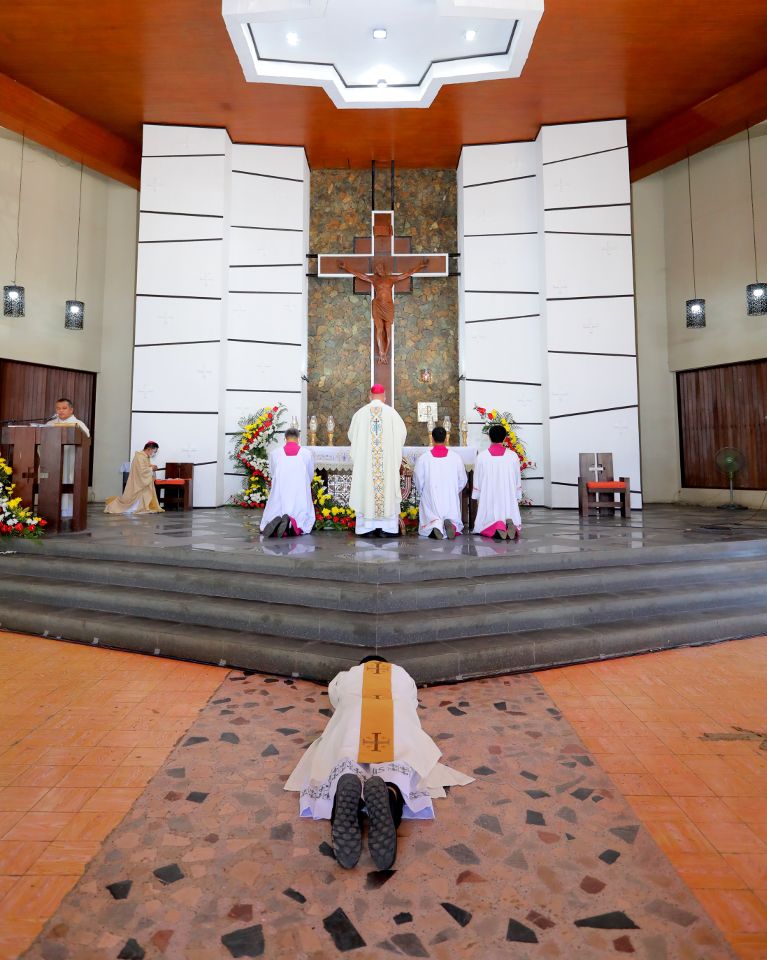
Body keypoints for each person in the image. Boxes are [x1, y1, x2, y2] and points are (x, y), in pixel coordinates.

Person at [285, 655, 472, 870]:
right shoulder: (402, 674)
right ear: (387, 665)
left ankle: (344, 798)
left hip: (354, 717)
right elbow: (412, 702)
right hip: (395, 718)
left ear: (361, 665)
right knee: (399, 763)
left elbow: (335, 698)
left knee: (345, 756)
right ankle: (390, 794)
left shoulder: (347, 676)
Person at [338, 259, 429, 363]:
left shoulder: (391, 278)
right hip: (378, 305)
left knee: (388, 328)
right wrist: (346, 267)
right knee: (379, 329)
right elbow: (360, 275)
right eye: (377, 269)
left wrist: (420, 266)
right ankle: (382, 353)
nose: (379, 270)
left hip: (388, 306)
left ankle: (385, 352)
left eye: (380, 268)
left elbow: (407, 274)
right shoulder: (374, 279)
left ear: (383, 269)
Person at [348, 384, 407, 537]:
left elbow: (351, 436)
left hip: (367, 465)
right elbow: (402, 435)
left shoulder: (360, 414)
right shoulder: (392, 414)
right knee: (386, 488)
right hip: (385, 465)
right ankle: (387, 528)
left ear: (369, 396)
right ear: (385, 397)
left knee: (366, 488)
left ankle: (366, 528)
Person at [413, 426, 467, 539]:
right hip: (450, 496)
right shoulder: (456, 457)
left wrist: (424, 491)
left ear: (432, 439)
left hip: (431, 495)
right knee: (451, 513)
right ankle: (450, 523)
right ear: (446, 438)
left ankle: (436, 525)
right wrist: (453, 490)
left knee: (431, 516)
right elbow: (462, 479)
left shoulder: (424, 458)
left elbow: (418, 478)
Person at [260, 427, 315, 538]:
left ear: (285, 438)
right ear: (298, 439)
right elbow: (310, 474)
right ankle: (293, 525)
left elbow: (273, 472)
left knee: (276, 506)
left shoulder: (275, 453)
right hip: (299, 489)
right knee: (302, 514)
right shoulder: (307, 453)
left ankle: (277, 521)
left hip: (281, 488)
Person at [472, 423, 522, 540]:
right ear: (504, 438)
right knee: (508, 511)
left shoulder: (482, 457)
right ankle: (509, 522)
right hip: (507, 495)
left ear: (489, 437)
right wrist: (517, 494)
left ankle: (497, 525)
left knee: (483, 525)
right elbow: (516, 478)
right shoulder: (512, 456)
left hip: (489, 496)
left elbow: (477, 478)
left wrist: (476, 495)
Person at [46, 398, 91, 518]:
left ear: (71, 410)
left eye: (64, 408)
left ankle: (70, 510)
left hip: (71, 459)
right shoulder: (50, 424)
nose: (60, 411)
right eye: (58, 408)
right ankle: (52, 509)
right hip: (54, 460)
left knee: (69, 481)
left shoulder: (78, 425)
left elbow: (86, 439)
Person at [104, 442, 162, 514]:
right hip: (137, 482)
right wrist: (151, 469)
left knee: (144, 495)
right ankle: (128, 508)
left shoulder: (145, 457)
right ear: (149, 449)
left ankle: (139, 507)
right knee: (130, 502)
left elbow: (146, 467)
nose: (154, 454)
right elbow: (141, 470)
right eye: (154, 451)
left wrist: (152, 467)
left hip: (142, 483)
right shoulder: (139, 456)